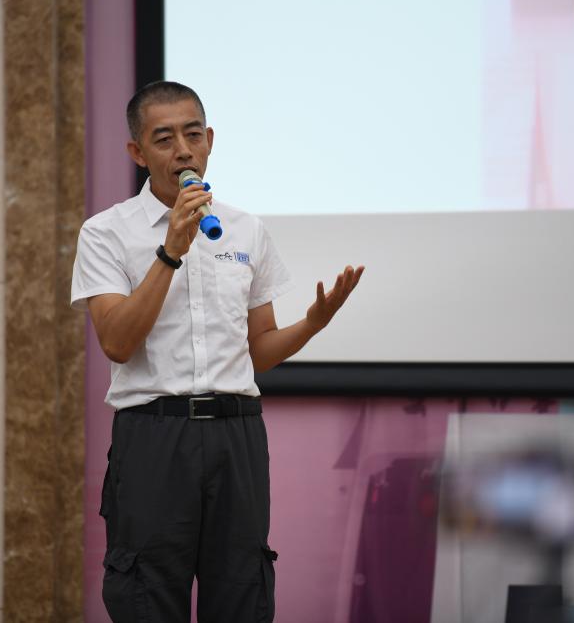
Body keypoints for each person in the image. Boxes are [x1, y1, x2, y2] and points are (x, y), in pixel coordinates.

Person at [71, 81, 364, 622]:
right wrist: (170, 251)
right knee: (147, 596)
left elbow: (260, 352)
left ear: (209, 140)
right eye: (164, 139)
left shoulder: (245, 229)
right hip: (155, 437)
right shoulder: (106, 233)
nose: (183, 150)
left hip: (237, 436)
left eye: (193, 135)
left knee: (243, 593)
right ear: (138, 152)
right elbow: (116, 341)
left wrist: (312, 324)